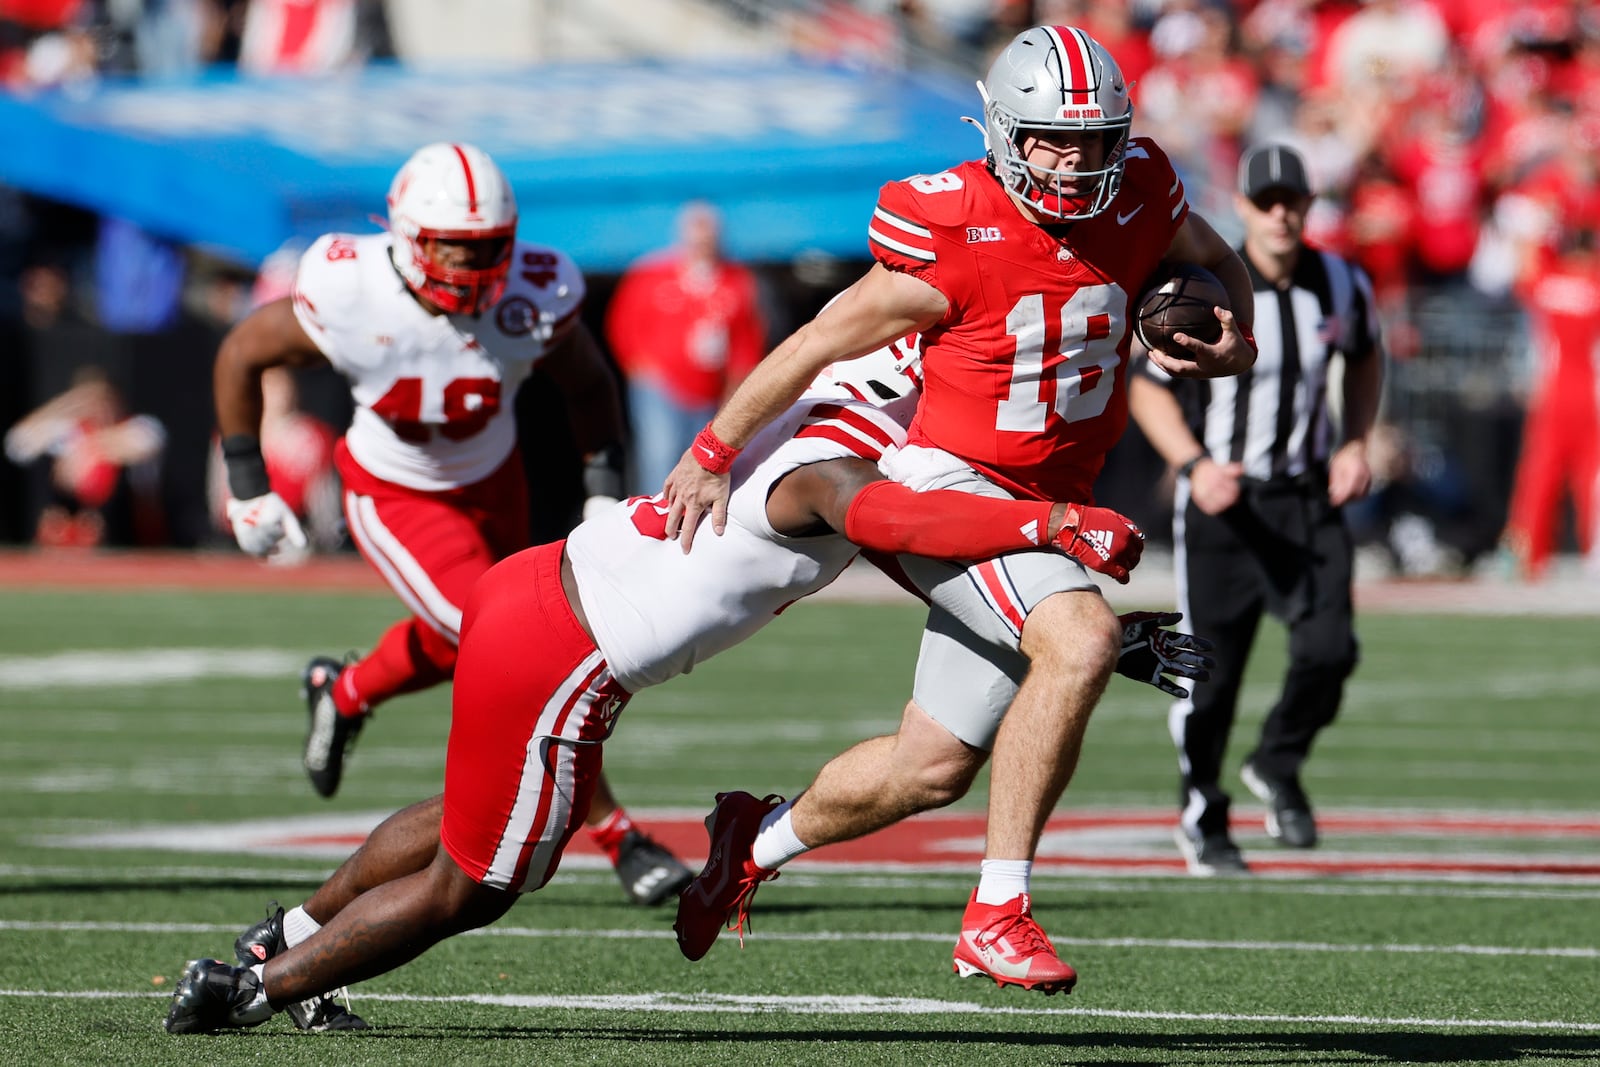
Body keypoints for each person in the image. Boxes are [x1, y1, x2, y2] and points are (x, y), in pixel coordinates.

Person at [162, 345, 1197, 1035]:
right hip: (569, 647)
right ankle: (255, 991)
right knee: (476, 885)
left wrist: (1075, 631)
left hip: (539, 588)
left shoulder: (827, 406)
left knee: (469, 825)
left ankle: (284, 935)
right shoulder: (831, 462)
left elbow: (914, 554)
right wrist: (1046, 528)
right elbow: (899, 526)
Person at [663, 24, 1256, 991]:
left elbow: (1217, 261)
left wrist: (1237, 345)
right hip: (951, 481)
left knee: (930, 767)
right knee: (1078, 640)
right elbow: (819, 338)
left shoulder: (1143, 187)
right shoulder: (950, 224)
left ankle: (750, 843)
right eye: (1049, 141)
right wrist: (712, 449)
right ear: (1000, 133)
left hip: (1055, 491)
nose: (1073, 163)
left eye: (1094, 140)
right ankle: (997, 912)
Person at [211, 142, 692, 944]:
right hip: (395, 492)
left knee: (467, 637)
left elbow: (589, 383)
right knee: (525, 649)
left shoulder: (533, 292)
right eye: (454, 249)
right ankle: (620, 837)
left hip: (495, 481)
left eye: (489, 248)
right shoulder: (351, 286)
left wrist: (603, 485)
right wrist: (246, 482)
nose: (473, 269)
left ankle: (347, 689)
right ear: (405, 236)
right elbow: (241, 351)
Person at [1127, 142, 1385, 875]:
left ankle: (1277, 761)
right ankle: (1202, 809)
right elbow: (1146, 385)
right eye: (1265, 200)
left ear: (1308, 206)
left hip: (1306, 497)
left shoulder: (1341, 282)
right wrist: (1193, 464)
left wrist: (1356, 440)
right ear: (1241, 206)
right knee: (1208, 676)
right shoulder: (1202, 284)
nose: (1280, 213)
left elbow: (1367, 355)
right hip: (1225, 504)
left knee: (1331, 650)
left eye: (1292, 200)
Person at [603, 201, 767, 495]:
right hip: (661, 385)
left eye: (709, 233)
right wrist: (640, 366)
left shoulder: (736, 280)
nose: (704, 240)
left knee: (703, 458)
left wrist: (737, 382)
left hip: (709, 388)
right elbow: (623, 323)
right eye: (698, 232)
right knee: (659, 454)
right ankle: (653, 518)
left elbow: (746, 336)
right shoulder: (651, 274)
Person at [1498, 227, 1600, 581]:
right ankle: (1594, 553)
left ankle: (1528, 555)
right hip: (1591, 394)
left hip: (1552, 393)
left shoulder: (1548, 282)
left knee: (1539, 476)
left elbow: (1523, 262)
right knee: (1592, 477)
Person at [4, 364, 166, 548]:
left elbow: (145, 443)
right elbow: (16, 445)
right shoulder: (70, 432)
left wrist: (88, 450)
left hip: (124, 532)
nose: (99, 409)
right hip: (74, 525)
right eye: (90, 403)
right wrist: (65, 404)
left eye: (104, 401)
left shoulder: (136, 425)